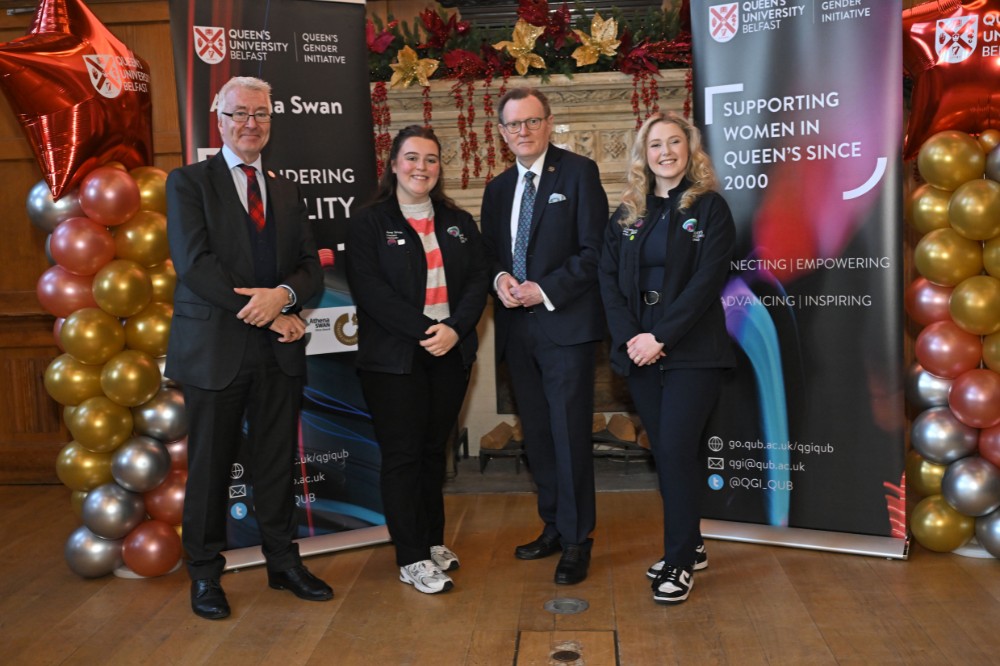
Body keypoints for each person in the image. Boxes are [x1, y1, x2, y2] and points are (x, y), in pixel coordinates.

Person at [166, 76, 332, 620]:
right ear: (219, 120)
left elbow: (310, 268)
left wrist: (284, 298)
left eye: (260, 114)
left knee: (278, 464)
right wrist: (266, 313)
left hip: (277, 353)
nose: (250, 123)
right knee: (210, 468)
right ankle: (206, 576)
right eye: (239, 113)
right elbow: (196, 265)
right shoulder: (188, 183)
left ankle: (283, 563)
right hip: (215, 351)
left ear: (270, 120)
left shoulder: (284, 189)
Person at [598, 111, 736, 604]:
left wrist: (661, 337)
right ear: (644, 154)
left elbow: (706, 284)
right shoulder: (627, 214)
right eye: (655, 145)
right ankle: (691, 542)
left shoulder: (711, 208)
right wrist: (633, 338)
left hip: (692, 350)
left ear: (689, 150)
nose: (665, 152)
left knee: (676, 450)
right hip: (640, 353)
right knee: (673, 454)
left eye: (674, 143)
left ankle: (678, 562)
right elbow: (608, 284)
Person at [346, 125, 488, 595]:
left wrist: (454, 330)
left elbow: (476, 283)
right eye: (411, 158)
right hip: (394, 361)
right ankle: (410, 557)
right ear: (393, 165)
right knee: (403, 456)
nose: (420, 168)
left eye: (430, 159)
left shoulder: (456, 221)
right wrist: (430, 330)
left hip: (450, 353)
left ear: (439, 168)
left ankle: (430, 543)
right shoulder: (368, 222)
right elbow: (371, 292)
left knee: (433, 453)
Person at [480, 87, 608, 585]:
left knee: (569, 435)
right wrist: (500, 281)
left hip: (565, 327)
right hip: (516, 332)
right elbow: (490, 254)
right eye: (513, 125)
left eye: (532, 122)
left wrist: (544, 289)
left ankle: (578, 540)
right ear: (502, 132)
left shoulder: (578, 174)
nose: (523, 132)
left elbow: (595, 251)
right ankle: (554, 525)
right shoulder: (495, 189)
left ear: (549, 123)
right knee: (537, 437)